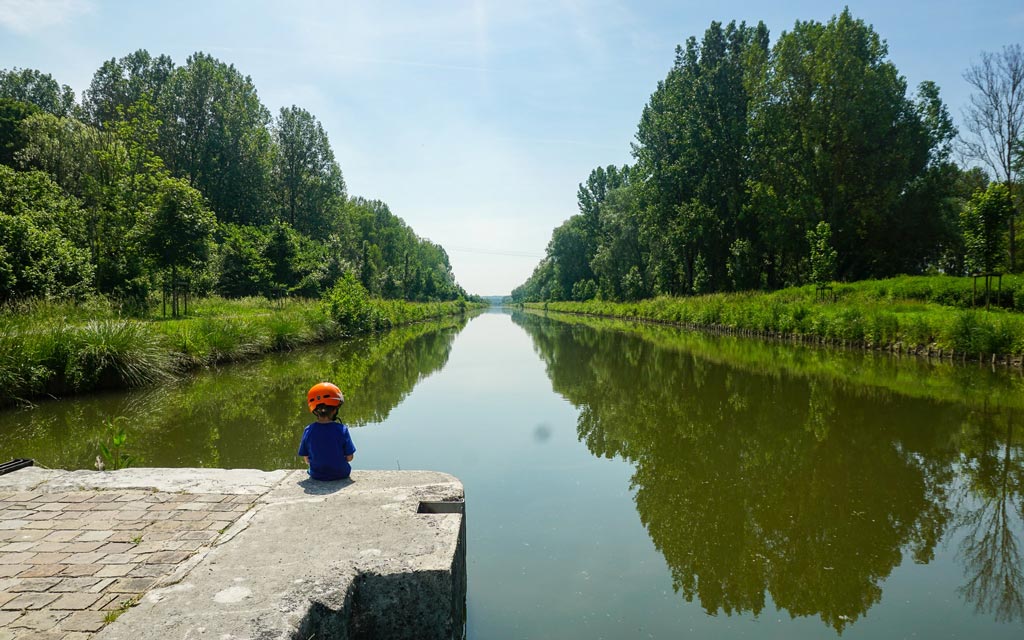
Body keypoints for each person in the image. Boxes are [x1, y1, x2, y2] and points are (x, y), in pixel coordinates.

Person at [298, 382, 356, 481]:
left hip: (317, 475)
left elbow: (306, 459)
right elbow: (350, 457)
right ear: (335, 410)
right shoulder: (342, 429)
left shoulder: (308, 430)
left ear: (314, 411)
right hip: (341, 473)